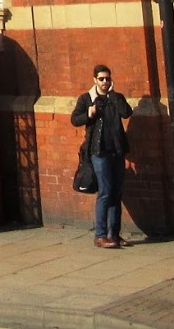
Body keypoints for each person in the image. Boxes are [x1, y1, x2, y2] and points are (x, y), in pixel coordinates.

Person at [70, 63, 134, 248]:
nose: (105, 82)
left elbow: (126, 112)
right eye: (101, 79)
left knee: (116, 192)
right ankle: (100, 235)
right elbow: (74, 119)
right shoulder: (86, 99)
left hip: (117, 151)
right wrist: (88, 115)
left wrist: (113, 96)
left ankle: (114, 234)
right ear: (94, 80)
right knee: (105, 192)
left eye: (108, 79)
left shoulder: (116, 98)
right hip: (99, 152)